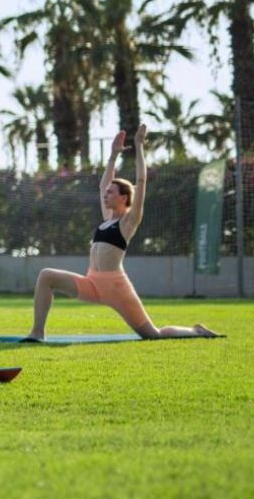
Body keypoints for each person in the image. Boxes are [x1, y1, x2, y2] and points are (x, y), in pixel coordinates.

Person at [26, 125, 219, 341]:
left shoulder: (129, 220)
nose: (105, 194)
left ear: (124, 197)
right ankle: (37, 333)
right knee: (46, 276)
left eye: (111, 192)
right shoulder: (107, 220)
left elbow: (141, 182)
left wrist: (139, 146)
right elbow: (102, 186)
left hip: (116, 287)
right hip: (92, 284)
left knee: (153, 334)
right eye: (106, 192)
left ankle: (196, 331)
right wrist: (113, 156)